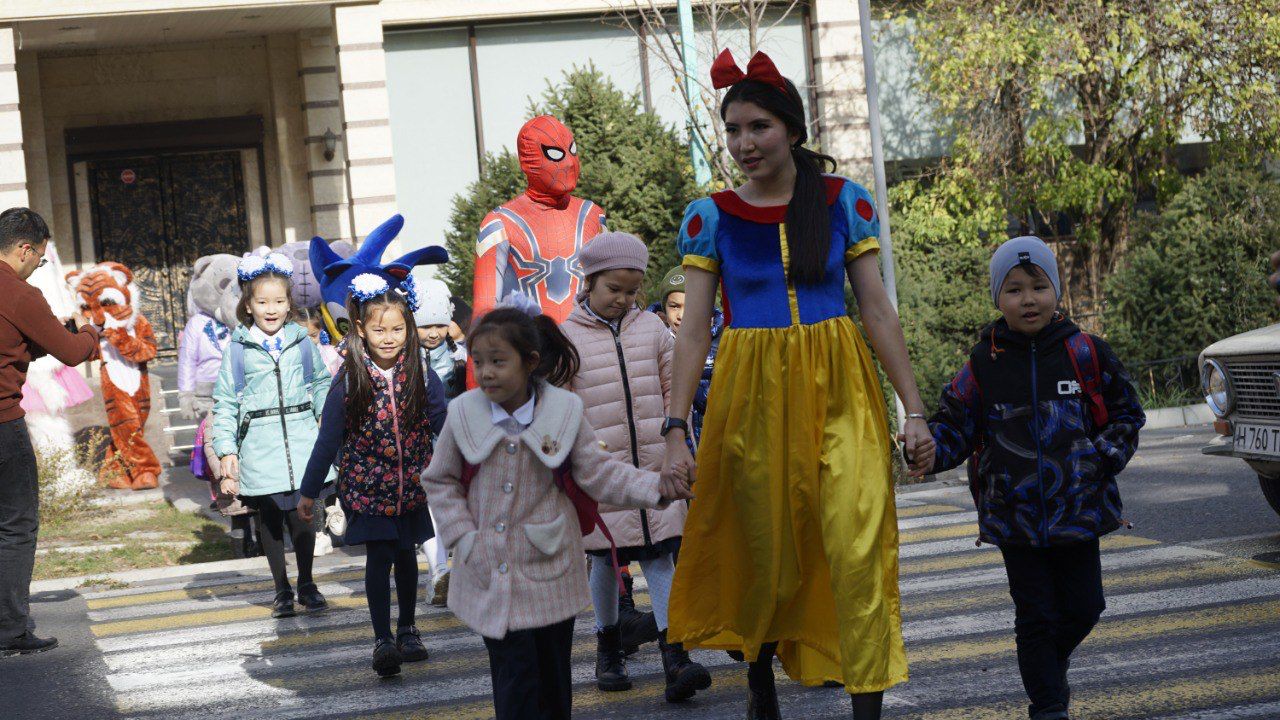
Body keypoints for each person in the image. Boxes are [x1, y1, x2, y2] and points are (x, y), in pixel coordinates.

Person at [661, 50, 936, 720]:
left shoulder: (845, 202)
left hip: (841, 388)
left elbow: (876, 311)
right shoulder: (710, 216)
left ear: (791, 128)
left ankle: (867, 703)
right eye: (733, 130)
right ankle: (759, 678)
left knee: (856, 544)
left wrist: (915, 410)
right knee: (763, 548)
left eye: (758, 126)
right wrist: (674, 429)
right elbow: (693, 333)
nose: (744, 143)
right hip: (748, 393)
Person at [423, 296, 691, 720]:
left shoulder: (564, 412)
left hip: (552, 573)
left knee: (552, 684)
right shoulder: (463, 414)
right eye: (479, 361)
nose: (486, 371)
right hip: (490, 576)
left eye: (498, 361)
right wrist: (463, 537)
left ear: (530, 362)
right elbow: (440, 479)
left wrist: (658, 486)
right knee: (515, 682)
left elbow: (600, 473)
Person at [926, 236, 1146, 720]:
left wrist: (1099, 459)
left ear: (1056, 291)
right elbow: (953, 428)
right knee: (1035, 617)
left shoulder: (1086, 353)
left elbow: (1127, 415)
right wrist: (926, 450)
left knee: (1086, 607)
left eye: (1039, 287)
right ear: (997, 298)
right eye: (1014, 290)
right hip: (1014, 520)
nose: (1028, 299)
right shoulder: (981, 366)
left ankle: (1047, 666)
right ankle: (1048, 705)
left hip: (1078, 512)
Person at [560, 232, 711, 701]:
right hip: (602, 472)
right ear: (589, 282)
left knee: (660, 554)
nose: (623, 299)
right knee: (606, 560)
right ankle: (608, 646)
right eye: (614, 289)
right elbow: (559, 404)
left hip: (655, 466)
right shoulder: (566, 337)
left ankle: (675, 656)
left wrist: (680, 445)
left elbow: (674, 388)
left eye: (632, 291)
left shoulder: (652, 330)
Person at [298, 273, 449, 678]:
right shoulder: (350, 378)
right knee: (380, 557)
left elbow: (444, 422)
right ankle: (383, 639)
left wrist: (470, 461)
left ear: (408, 328)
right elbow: (328, 439)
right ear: (361, 330)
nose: (389, 338)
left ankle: (408, 629)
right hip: (367, 491)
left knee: (406, 556)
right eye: (379, 330)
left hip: (412, 489)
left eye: (397, 329)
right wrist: (309, 492)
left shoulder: (420, 371)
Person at [211, 248, 333, 619]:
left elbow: (321, 383)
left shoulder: (302, 341)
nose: (271, 309)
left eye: (279, 301)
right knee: (269, 518)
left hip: (302, 441)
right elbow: (225, 402)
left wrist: (326, 420)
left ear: (288, 303)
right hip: (259, 446)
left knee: (304, 515)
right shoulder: (237, 348)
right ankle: (282, 589)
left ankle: (307, 583)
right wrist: (226, 449)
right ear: (248, 305)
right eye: (262, 302)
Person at [0, 207, 99, 657]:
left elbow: (17, 344)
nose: (38, 267)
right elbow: (73, 352)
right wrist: (89, 331)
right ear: (24, 249)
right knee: (16, 527)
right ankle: (9, 629)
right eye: (40, 259)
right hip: (3, 425)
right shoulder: (19, 293)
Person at [647, 266, 723, 447]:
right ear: (663, 310)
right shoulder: (653, 342)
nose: (682, 315)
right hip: (674, 441)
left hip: (716, 439)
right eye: (674, 306)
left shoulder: (724, 340)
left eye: (691, 306)